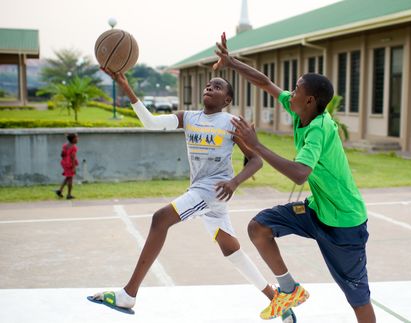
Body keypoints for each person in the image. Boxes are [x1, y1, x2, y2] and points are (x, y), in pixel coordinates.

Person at [89, 69, 297, 322]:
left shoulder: (231, 123)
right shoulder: (188, 117)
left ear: (227, 100)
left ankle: (128, 294)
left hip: (214, 188)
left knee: (160, 219)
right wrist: (125, 86)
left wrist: (235, 182)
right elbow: (151, 123)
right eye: (209, 85)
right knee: (230, 249)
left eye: (217, 87)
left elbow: (256, 161)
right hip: (205, 191)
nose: (210, 88)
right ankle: (276, 300)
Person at [214, 33, 376, 322]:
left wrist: (257, 145)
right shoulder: (300, 109)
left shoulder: (319, 129)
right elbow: (265, 83)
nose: (290, 92)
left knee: (358, 300)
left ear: (310, 100)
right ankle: (290, 290)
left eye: (296, 88)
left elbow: (300, 174)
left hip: (345, 224)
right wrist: (231, 62)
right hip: (317, 211)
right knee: (259, 227)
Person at [55, 133, 78, 200]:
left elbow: (62, 154)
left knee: (68, 177)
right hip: (70, 164)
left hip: (64, 163)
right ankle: (69, 195)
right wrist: (74, 167)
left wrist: (66, 158)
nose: (77, 139)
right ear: (72, 139)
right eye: (76, 138)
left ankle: (59, 191)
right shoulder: (73, 147)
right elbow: (73, 158)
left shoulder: (65, 145)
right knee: (70, 179)